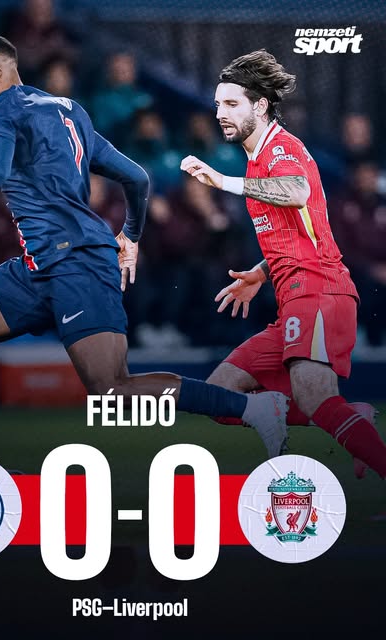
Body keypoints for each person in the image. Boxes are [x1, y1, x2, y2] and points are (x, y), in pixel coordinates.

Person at [0, 36, 288, 509]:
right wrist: (131, 235)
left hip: (78, 263)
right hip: (38, 266)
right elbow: (137, 177)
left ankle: (254, 407)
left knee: (111, 387)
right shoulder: (68, 110)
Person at [180, 50, 386, 480]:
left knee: (315, 397)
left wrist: (223, 181)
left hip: (319, 291)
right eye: (217, 104)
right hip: (292, 296)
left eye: (231, 103)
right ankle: (350, 417)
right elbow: (299, 228)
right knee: (221, 394)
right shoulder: (258, 158)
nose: (220, 114)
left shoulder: (280, 149)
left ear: (260, 106)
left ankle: (349, 423)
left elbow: (295, 192)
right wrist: (261, 271)